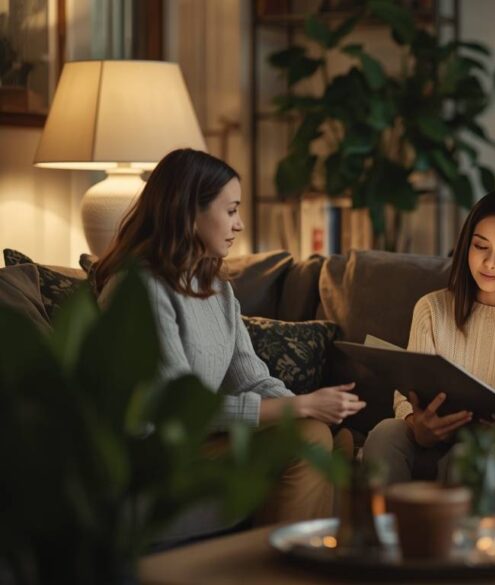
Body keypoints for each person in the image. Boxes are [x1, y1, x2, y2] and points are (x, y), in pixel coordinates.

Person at [94, 148, 366, 524]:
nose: (239, 224)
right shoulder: (139, 288)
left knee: (312, 433)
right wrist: (298, 408)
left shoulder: (217, 292)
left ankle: (286, 560)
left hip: (202, 444)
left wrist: (311, 410)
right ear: (190, 212)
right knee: (309, 439)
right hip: (153, 460)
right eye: (232, 210)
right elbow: (176, 412)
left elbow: (251, 378)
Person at [361, 189, 495, 483]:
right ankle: (381, 528)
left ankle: (455, 529)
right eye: (481, 246)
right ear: (466, 245)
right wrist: (417, 423)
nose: (490, 262)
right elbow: (406, 390)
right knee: (384, 433)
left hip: (492, 441)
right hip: (427, 428)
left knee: (465, 457)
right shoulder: (432, 308)